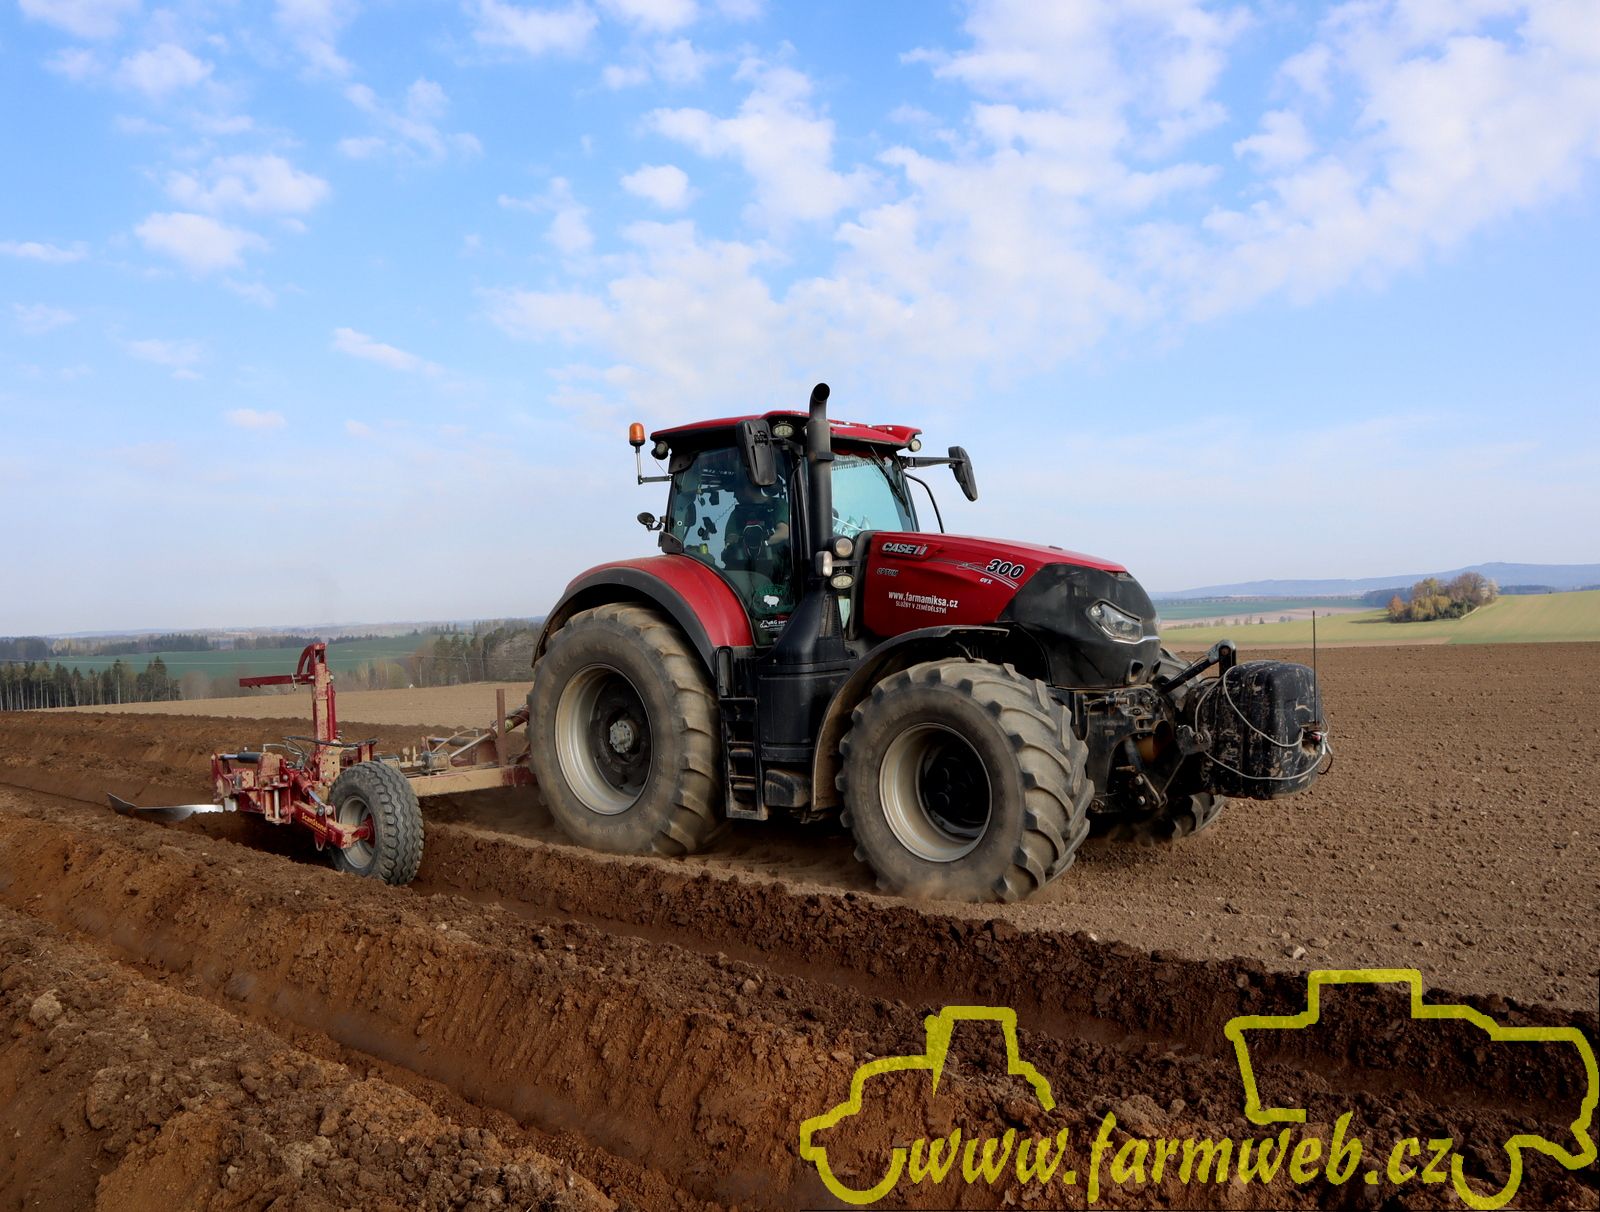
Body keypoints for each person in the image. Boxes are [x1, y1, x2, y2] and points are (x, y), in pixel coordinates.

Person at [722, 476, 790, 573]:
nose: (735, 496)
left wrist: (763, 543)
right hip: (743, 569)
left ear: (747, 488)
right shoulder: (737, 513)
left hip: (776, 569)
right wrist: (736, 543)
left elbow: (784, 532)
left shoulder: (777, 504)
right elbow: (730, 539)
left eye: (736, 491)